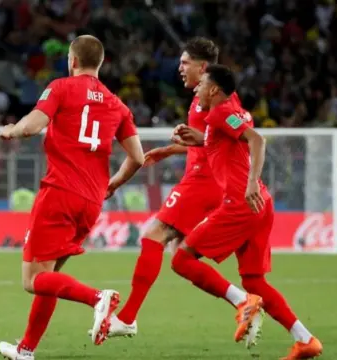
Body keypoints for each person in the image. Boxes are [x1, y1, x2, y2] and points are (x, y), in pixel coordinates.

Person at [0, 35, 145, 360]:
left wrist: (13, 129)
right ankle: (26, 350)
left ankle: (98, 299)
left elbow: (34, 124)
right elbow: (138, 156)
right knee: (49, 275)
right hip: (91, 202)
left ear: (72, 60)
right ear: (100, 63)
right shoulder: (117, 104)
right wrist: (114, 184)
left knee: (33, 279)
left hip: (60, 193)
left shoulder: (62, 87)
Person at [173, 64, 323, 360]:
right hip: (261, 204)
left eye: (201, 84)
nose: (196, 90)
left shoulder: (218, 112)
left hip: (241, 202)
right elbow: (228, 144)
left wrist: (251, 182)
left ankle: (243, 302)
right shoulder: (230, 112)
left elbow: (257, 139)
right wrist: (197, 140)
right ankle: (305, 340)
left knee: (181, 259)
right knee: (255, 279)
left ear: (214, 89)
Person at [107, 37, 241, 338]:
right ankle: (243, 300)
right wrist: (170, 149)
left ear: (202, 66)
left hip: (203, 180)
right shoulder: (200, 96)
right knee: (181, 258)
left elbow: (236, 138)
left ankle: (128, 317)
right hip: (201, 177)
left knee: (153, 236)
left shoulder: (219, 99)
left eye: (184, 62)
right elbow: (209, 140)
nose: (179, 68)